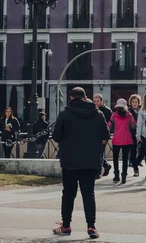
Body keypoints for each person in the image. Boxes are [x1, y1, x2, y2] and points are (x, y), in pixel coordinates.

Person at [52, 87, 109, 238]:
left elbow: (56, 136)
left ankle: (66, 226)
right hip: (90, 162)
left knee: (68, 194)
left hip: (69, 161)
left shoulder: (65, 114)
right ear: (85, 97)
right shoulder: (98, 114)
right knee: (88, 194)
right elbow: (105, 135)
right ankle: (91, 227)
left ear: (71, 98)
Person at [108, 99, 136, 184]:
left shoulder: (114, 115)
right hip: (127, 139)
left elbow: (109, 126)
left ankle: (116, 175)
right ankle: (124, 176)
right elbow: (134, 126)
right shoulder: (129, 115)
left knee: (115, 158)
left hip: (116, 139)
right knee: (125, 159)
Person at [93, 94, 113, 177]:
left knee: (100, 153)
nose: (96, 103)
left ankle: (98, 171)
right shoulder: (93, 110)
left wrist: (105, 136)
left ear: (101, 101)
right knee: (98, 153)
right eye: (94, 101)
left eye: (98, 101)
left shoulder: (107, 111)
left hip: (103, 135)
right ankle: (105, 165)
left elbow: (109, 124)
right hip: (95, 135)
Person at [128, 94, 141, 177]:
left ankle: (137, 163)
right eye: (133, 102)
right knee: (133, 152)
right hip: (131, 134)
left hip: (140, 134)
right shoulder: (128, 112)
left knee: (142, 151)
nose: (134, 104)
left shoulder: (141, 111)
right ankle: (135, 169)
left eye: (136, 102)